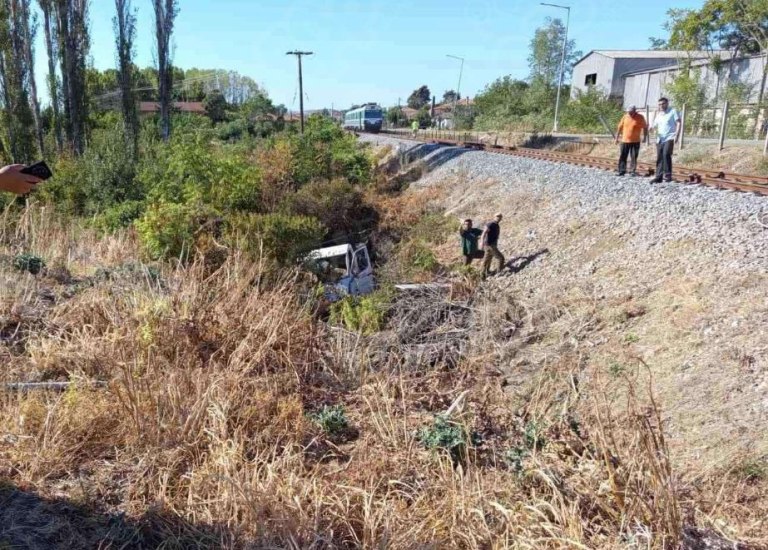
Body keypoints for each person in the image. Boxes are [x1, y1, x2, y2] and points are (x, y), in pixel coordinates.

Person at [650, 97, 681, 184]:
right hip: (660, 138)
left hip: (670, 137)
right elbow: (654, 125)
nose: (661, 106)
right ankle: (658, 177)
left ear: (667, 103)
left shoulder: (673, 111)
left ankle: (668, 175)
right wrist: (651, 127)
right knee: (660, 157)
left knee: (666, 154)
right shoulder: (659, 114)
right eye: (660, 104)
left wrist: (677, 135)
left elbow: (678, 122)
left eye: (663, 104)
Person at [614, 105, 647, 176]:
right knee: (623, 156)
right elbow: (619, 127)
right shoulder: (625, 116)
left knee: (634, 157)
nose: (629, 113)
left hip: (636, 141)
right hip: (625, 140)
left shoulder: (640, 117)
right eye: (628, 111)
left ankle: (632, 171)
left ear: (635, 111)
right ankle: (621, 171)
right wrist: (616, 138)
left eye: (631, 112)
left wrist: (645, 137)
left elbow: (645, 127)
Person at [480, 213, 505, 278]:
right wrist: (481, 242)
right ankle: (499, 272)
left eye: (500, 217)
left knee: (487, 259)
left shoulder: (496, 225)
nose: (499, 218)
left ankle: (483, 274)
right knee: (500, 258)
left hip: (489, 245)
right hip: (490, 245)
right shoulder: (491, 224)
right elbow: (484, 233)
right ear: (494, 217)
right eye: (497, 216)